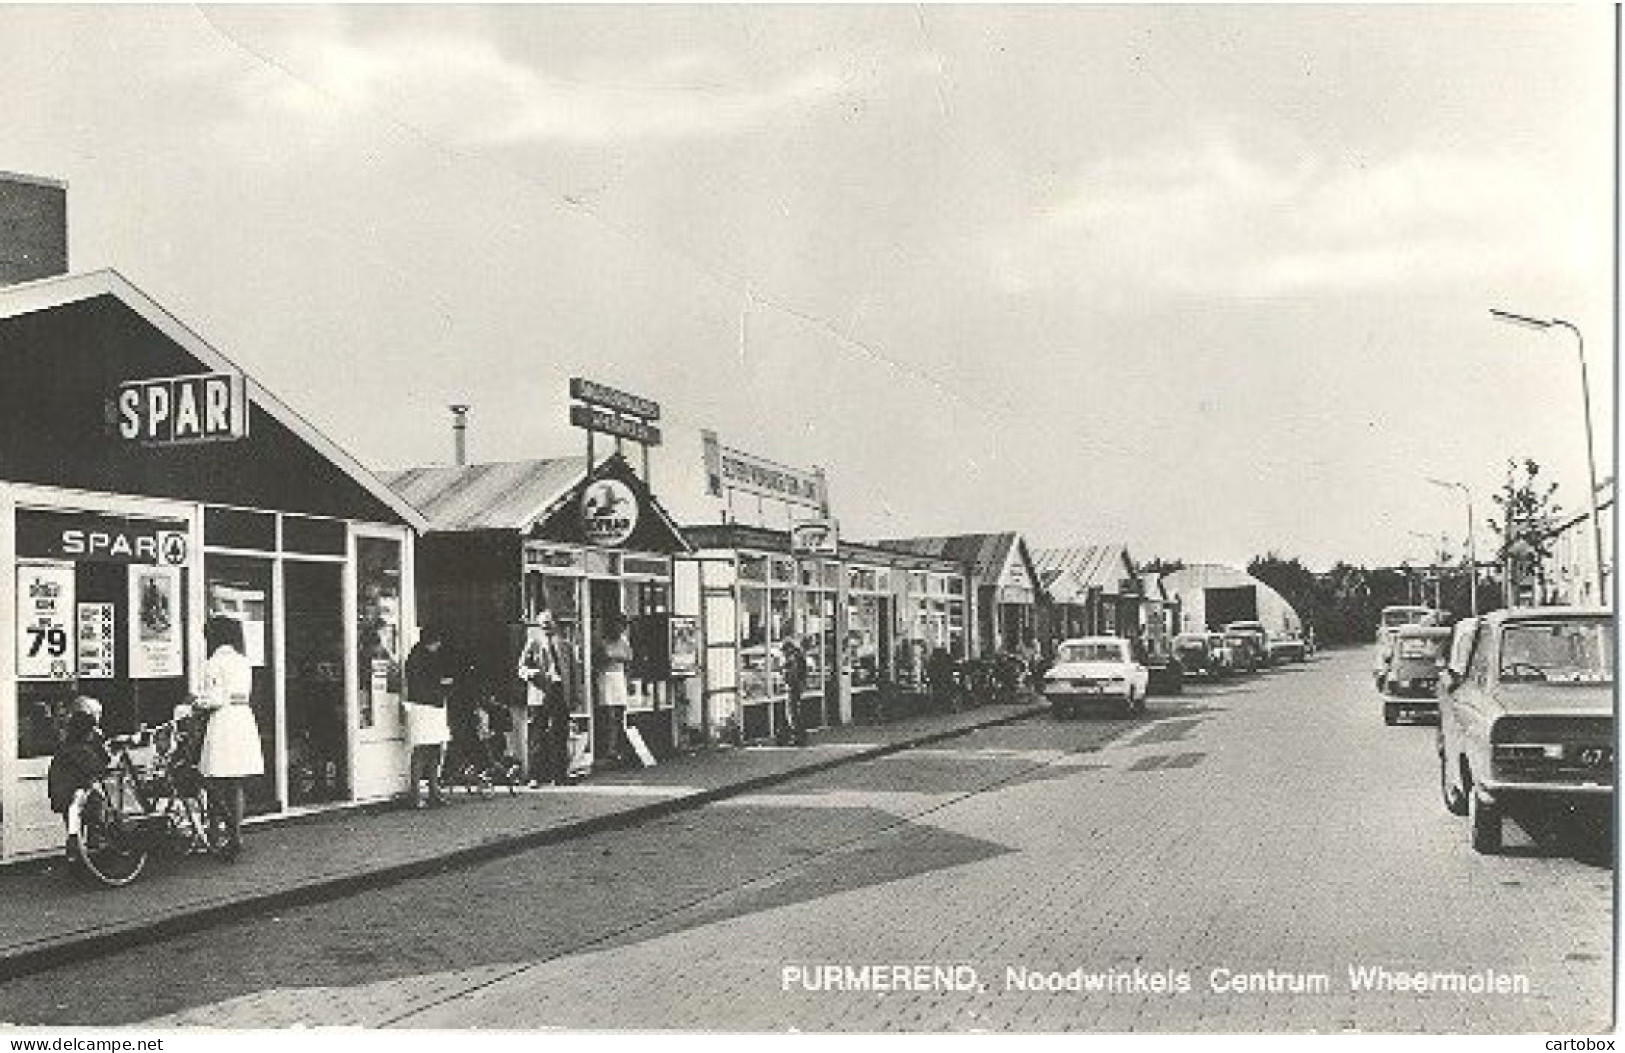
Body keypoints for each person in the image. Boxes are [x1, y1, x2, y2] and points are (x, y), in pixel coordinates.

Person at [195, 615, 264, 859]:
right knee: (236, 783)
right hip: (243, 720)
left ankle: (218, 834)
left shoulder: (213, 663)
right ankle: (236, 833)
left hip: (223, 722)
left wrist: (197, 701)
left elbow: (214, 699)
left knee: (215, 781)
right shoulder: (243, 661)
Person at [517, 610, 571, 786]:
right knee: (537, 735)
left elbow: (573, 672)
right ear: (539, 626)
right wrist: (535, 673)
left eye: (549, 624)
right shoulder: (533, 643)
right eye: (543, 625)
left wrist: (574, 695)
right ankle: (535, 776)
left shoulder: (564, 644)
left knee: (560, 733)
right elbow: (521, 668)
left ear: (555, 625)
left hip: (559, 691)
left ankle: (560, 775)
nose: (547, 627)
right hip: (540, 692)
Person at [403, 627, 453, 808]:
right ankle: (416, 794)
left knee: (435, 748)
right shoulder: (419, 658)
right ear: (431, 641)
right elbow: (421, 683)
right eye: (437, 642)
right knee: (423, 749)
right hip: (424, 707)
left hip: (433, 707)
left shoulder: (422, 656)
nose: (439, 646)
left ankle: (433, 790)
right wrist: (441, 684)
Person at [48, 696, 111, 831]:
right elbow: (99, 766)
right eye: (97, 714)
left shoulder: (73, 744)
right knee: (78, 831)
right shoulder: (78, 748)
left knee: (76, 830)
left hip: (72, 795)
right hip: (75, 795)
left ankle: (85, 846)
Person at [595, 612, 634, 764]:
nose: (620, 629)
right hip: (606, 677)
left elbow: (629, 661)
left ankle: (617, 747)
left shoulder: (624, 642)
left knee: (619, 714)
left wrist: (629, 681)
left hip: (619, 678)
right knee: (608, 714)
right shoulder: (603, 641)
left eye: (622, 626)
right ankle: (608, 748)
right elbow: (598, 660)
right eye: (618, 625)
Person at [777, 637, 808, 747]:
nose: (784, 653)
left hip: (793, 688)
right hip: (796, 687)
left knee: (792, 714)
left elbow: (792, 674)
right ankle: (796, 736)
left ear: (789, 648)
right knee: (793, 713)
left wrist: (785, 675)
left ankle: (798, 738)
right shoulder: (798, 656)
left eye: (784, 651)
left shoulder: (794, 658)